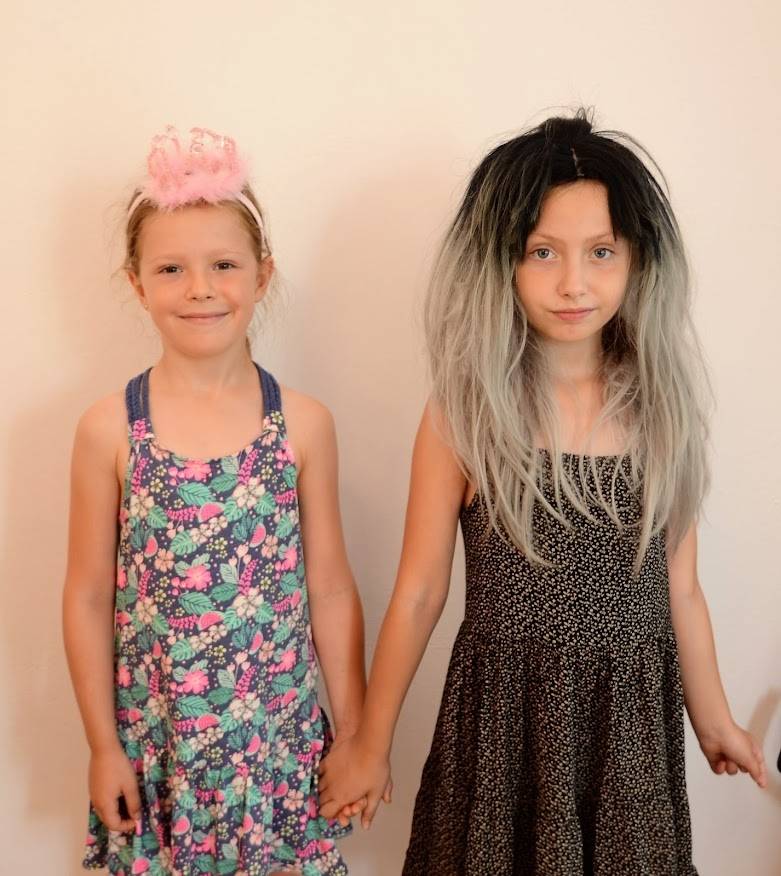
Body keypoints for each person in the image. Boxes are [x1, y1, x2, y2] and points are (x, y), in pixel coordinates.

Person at [318, 111, 768, 874]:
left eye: (600, 252)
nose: (573, 283)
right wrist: (368, 742)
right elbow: (420, 592)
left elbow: (681, 590)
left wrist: (713, 718)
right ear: (501, 261)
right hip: (505, 728)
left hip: (625, 737)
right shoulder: (464, 414)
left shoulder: (661, 414)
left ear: (637, 260)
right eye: (542, 252)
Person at [63, 127, 366, 875]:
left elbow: (329, 587)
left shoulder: (304, 425)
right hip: (161, 750)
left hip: (277, 750)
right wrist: (102, 746)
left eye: (223, 265)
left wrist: (357, 735)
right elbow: (86, 595)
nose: (199, 288)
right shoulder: (109, 430)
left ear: (262, 276)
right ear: (138, 284)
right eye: (171, 268)